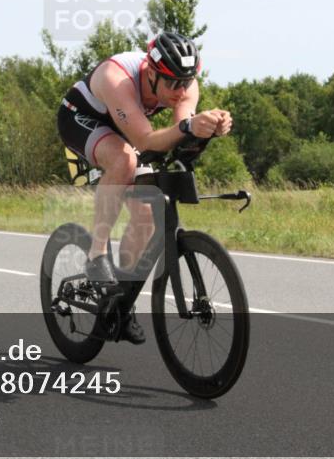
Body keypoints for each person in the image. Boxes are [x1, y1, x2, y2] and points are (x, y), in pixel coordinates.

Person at [56, 33, 232, 343]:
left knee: (147, 217)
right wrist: (188, 127)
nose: (181, 91)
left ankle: (120, 301)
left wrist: (209, 128)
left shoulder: (185, 86)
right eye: (172, 83)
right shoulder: (117, 78)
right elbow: (146, 141)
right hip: (81, 118)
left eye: (185, 82)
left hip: (129, 127)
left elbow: (181, 132)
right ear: (151, 73)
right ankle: (97, 255)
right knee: (123, 161)